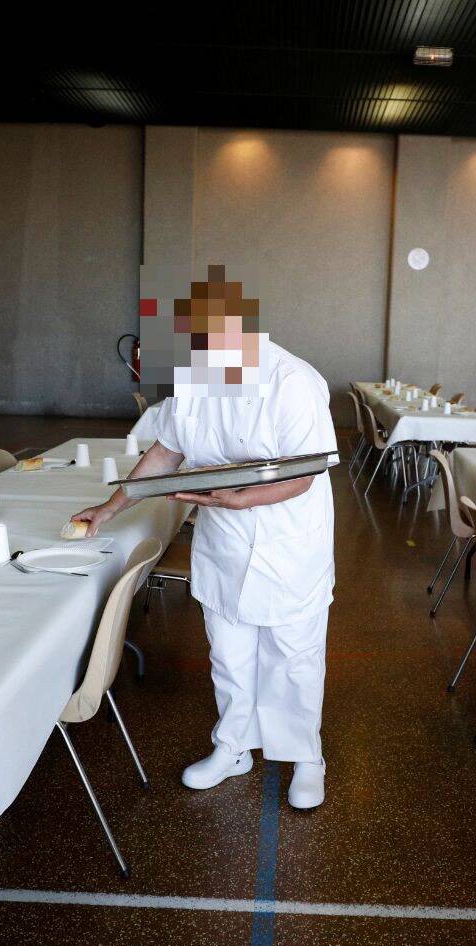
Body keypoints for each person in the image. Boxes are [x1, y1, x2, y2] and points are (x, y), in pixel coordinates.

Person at [73, 268, 337, 810]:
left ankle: (306, 758)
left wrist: (245, 498)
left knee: (294, 654)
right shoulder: (197, 379)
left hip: (287, 539)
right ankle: (233, 746)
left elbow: (303, 473)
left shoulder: (293, 381)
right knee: (229, 651)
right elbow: (166, 453)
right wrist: (112, 504)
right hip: (223, 538)